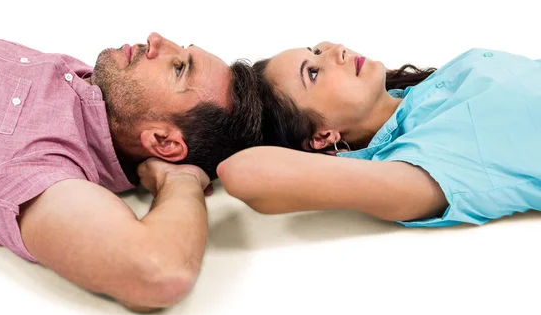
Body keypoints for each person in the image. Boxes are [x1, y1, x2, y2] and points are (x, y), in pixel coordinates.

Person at [0, 33, 262, 311]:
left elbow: (159, 272)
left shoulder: (45, 165)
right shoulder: (94, 83)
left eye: (178, 68)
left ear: (163, 142)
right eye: (180, 48)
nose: (155, 39)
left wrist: (181, 181)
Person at [218, 42, 541, 227]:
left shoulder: (420, 93)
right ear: (321, 137)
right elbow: (244, 173)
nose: (334, 52)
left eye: (315, 49)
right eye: (313, 73)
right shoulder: (417, 162)